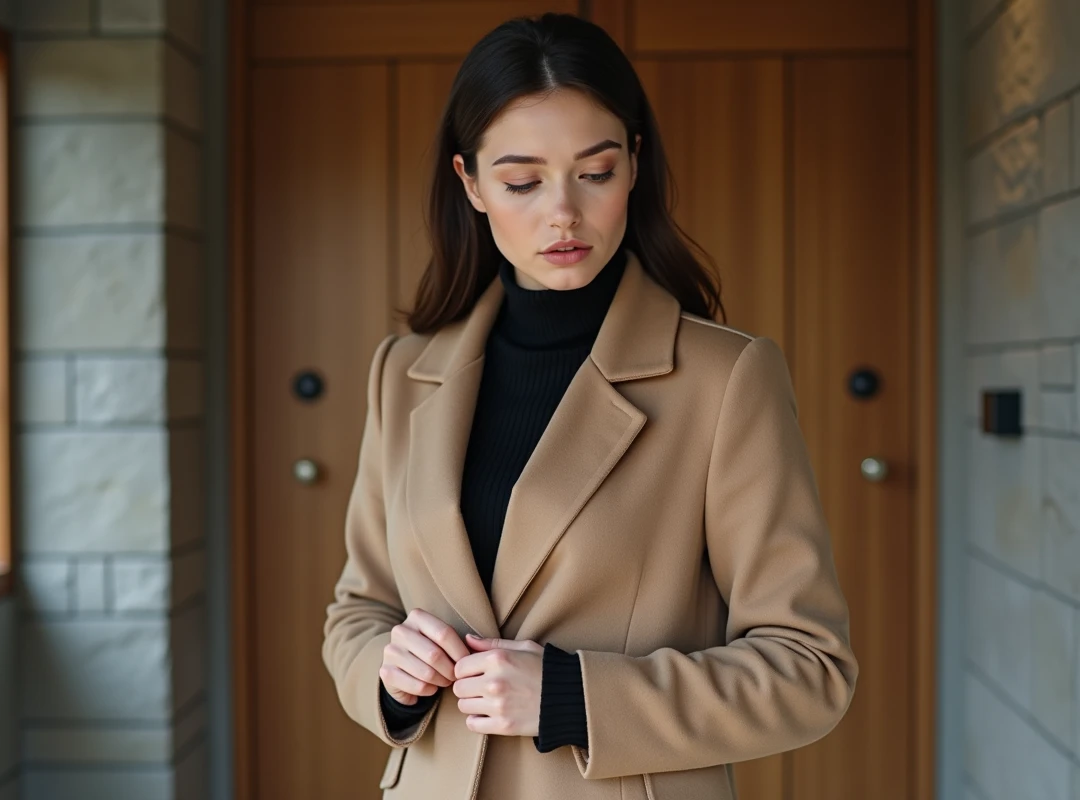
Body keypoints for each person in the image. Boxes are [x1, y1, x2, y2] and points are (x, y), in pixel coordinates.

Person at [321, 12, 857, 800]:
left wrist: (574, 698)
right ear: (470, 182)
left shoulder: (725, 377)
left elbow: (810, 669)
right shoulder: (401, 374)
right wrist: (388, 674)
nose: (563, 213)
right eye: (522, 181)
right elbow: (357, 611)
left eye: (596, 173)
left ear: (635, 165)